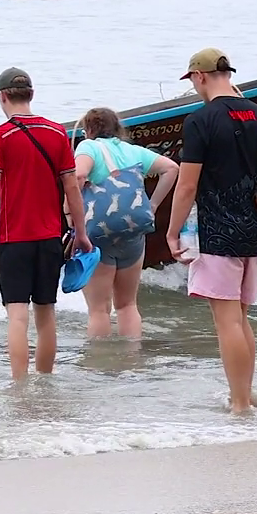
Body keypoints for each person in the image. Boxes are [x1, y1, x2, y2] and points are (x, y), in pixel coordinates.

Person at [164, 49, 257, 413]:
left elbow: (187, 185)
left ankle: (240, 405)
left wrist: (172, 232)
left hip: (217, 232)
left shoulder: (200, 120)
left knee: (227, 320)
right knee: (241, 316)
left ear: (199, 76)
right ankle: (245, 394)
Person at [0, 67, 92, 382]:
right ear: (31, 95)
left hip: (14, 239)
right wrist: (80, 233)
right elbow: (72, 190)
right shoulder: (57, 133)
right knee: (46, 314)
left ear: (2, 97)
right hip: (50, 238)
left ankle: (20, 388)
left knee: (17, 316)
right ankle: (45, 383)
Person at [73, 106, 178, 339]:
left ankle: (101, 358)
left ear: (88, 130)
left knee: (99, 310)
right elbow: (171, 168)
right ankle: (131, 356)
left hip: (98, 236)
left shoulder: (88, 146)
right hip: (132, 235)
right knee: (127, 305)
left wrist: (69, 209)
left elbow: (79, 175)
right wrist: (153, 205)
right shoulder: (132, 150)